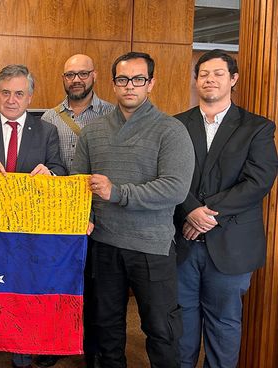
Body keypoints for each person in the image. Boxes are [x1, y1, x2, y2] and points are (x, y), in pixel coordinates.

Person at [71, 52, 195, 368]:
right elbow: (79, 187)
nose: (130, 86)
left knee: (161, 329)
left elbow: (175, 188)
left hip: (151, 247)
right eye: (123, 80)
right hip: (104, 245)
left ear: (150, 83)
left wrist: (118, 193)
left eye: (138, 79)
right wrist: (85, 217)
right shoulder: (93, 132)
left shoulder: (171, 130)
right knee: (106, 329)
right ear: (113, 84)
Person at [173, 49, 278, 368]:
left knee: (224, 325)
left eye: (218, 73)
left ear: (233, 80)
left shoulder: (257, 127)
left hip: (231, 247)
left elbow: (259, 181)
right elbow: (168, 175)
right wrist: (190, 209)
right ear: (196, 81)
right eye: (203, 74)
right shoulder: (176, 125)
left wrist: (205, 214)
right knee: (181, 326)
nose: (209, 79)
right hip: (182, 246)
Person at [0, 64, 64, 368]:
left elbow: (59, 168)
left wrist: (50, 173)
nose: (11, 99)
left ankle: (21, 353)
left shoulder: (47, 131)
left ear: (30, 97)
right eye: (5, 92)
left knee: (21, 290)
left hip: (27, 229)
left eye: (19, 93)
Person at [36, 53, 114, 368]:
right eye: (70, 75)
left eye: (82, 73)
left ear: (94, 75)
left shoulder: (112, 114)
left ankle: (93, 349)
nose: (76, 80)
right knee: (58, 283)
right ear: (63, 79)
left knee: (97, 287)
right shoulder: (48, 119)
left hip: (102, 215)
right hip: (60, 217)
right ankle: (54, 345)